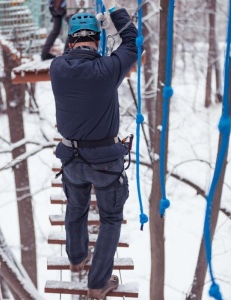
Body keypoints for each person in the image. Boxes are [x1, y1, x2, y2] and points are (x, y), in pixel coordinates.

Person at [50, 0, 139, 298]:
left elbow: (69, 54)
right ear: (97, 41)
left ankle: (77, 258)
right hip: (104, 162)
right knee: (110, 218)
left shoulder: (57, 68)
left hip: (71, 159)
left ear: (70, 42)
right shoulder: (109, 68)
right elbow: (131, 41)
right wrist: (115, 11)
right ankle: (98, 282)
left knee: (76, 208)